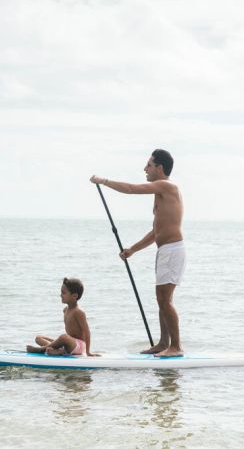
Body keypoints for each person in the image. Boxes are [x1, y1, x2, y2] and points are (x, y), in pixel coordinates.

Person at [90, 148, 186, 357]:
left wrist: (103, 181)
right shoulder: (161, 192)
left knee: (165, 299)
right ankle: (163, 344)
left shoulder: (166, 186)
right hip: (165, 250)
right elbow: (156, 232)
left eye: (149, 165)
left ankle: (176, 347)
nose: (145, 169)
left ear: (160, 168)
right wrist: (132, 249)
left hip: (172, 250)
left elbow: (132, 189)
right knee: (161, 298)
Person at [27, 277, 98, 357]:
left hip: (79, 346)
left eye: (63, 293)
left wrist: (88, 352)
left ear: (74, 296)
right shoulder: (65, 310)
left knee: (63, 337)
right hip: (68, 344)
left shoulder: (78, 312)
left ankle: (41, 349)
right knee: (39, 338)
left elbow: (87, 332)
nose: (60, 295)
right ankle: (57, 350)